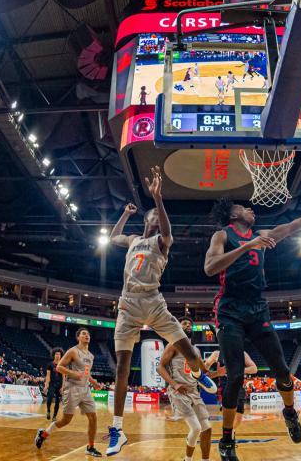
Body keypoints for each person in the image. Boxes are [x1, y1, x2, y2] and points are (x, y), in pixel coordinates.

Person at [204, 197, 301, 460]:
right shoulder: (222, 235)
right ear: (232, 214)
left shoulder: (262, 234)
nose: (250, 209)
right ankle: (227, 440)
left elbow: (291, 227)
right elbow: (210, 267)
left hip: (257, 307)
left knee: (283, 371)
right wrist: (246, 246)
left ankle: (290, 413)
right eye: (243, 207)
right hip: (229, 309)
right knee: (235, 376)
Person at [105, 166, 216, 456]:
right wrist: (126, 214)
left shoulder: (161, 242)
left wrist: (158, 199)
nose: (158, 218)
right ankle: (117, 430)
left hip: (153, 302)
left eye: (159, 215)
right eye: (154, 214)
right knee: (122, 368)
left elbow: (167, 231)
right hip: (127, 304)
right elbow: (113, 237)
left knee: (190, 352)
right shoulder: (133, 240)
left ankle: (198, 374)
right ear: (146, 220)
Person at [35, 328, 103, 457]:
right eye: (84, 334)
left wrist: (94, 383)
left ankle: (90, 447)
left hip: (85, 390)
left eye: (88, 334)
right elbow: (59, 366)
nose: (87, 335)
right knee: (66, 420)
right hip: (72, 388)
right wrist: (73, 373)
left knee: (93, 417)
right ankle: (43, 434)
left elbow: (86, 374)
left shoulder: (91, 356)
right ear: (78, 337)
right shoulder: (73, 351)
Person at [157, 318, 215, 461]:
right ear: (179, 327)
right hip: (178, 391)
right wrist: (174, 384)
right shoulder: (173, 345)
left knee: (207, 428)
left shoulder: (195, 350)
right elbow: (160, 367)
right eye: (184, 323)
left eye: (190, 324)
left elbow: (204, 371)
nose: (188, 325)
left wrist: (216, 367)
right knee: (196, 428)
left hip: (194, 391)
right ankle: (187, 459)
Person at [204, 348, 257, 435]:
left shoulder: (242, 353)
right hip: (225, 388)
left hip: (239, 387)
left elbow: (254, 369)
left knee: (238, 418)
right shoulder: (217, 354)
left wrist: (237, 371)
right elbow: (206, 370)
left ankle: (230, 431)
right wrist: (210, 372)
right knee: (228, 416)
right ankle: (227, 435)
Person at [43, 348, 64, 420]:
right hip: (52, 384)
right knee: (49, 398)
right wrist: (46, 385)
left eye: (59, 354)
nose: (58, 355)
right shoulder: (50, 364)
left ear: (61, 356)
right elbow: (48, 376)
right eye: (56, 354)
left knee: (58, 401)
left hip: (59, 385)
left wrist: (63, 387)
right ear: (54, 355)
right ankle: (48, 410)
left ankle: (54, 416)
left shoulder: (63, 365)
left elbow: (64, 377)